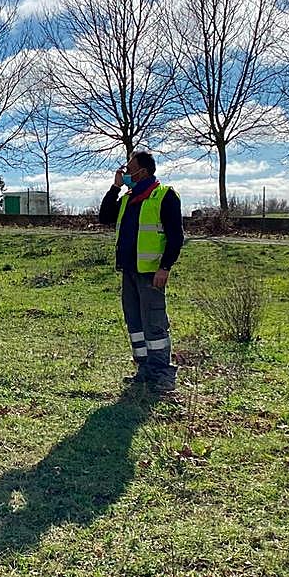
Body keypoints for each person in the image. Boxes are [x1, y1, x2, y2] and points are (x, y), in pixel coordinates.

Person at [98, 150, 184, 394]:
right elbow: (105, 217)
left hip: (151, 273)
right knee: (135, 323)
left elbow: (176, 237)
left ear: (143, 171)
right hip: (129, 272)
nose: (125, 173)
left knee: (155, 324)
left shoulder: (164, 195)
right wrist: (115, 188)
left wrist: (165, 267)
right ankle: (144, 369)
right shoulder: (128, 198)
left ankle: (162, 372)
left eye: (129, 169)